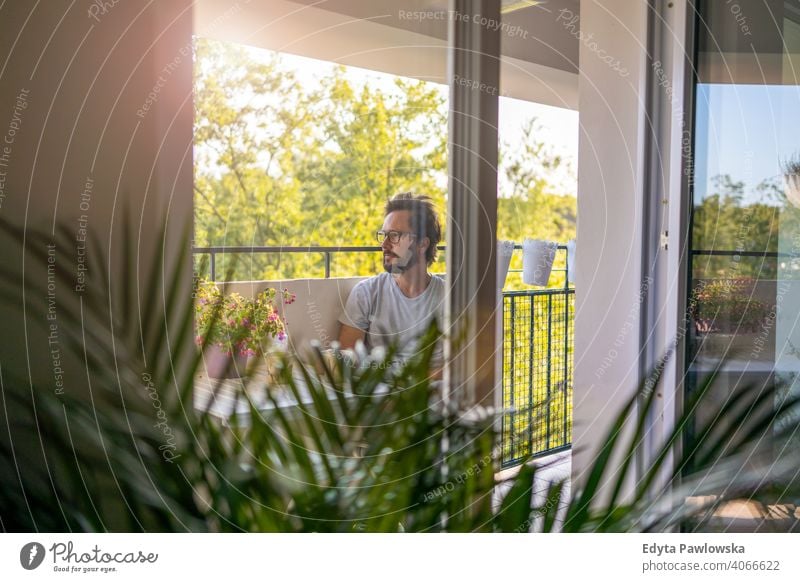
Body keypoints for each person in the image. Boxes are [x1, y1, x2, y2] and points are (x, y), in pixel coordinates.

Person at [338, 192, 444, 370]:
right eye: (384, 235)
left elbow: (462, 366)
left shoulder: (451, 298)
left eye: (394, 236)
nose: (384, 245)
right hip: (379, 394)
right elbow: (345, 361)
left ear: (422, 244)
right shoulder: (366, 293)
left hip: (433, 396)